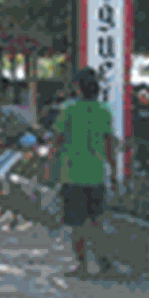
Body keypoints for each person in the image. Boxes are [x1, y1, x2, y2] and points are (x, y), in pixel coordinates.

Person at [51, 67, 115, 277]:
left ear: (78, 88)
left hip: (72, 173)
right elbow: (108, 144)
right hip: (96, 173)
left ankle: (82, 265)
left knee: (76, 224)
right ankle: (102, 258)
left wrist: (50, 164)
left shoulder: (68, 109)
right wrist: (112, 171)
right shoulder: (105, 110)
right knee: (96, 220)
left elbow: (58, 141)